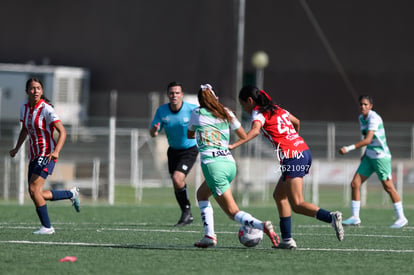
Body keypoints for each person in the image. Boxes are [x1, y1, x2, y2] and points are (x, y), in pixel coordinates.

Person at [229, 85, 344, 249]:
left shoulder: (258, 113)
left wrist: (234, 145)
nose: (244, 109)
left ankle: (330, 217)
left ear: (249, 101)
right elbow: (297, 121)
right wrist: (294, 139)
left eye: (243, 105)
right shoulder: (276, 109)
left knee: (297, 203)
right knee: (279, 196)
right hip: (303, 151)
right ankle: (287, 240)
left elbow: (254, 132)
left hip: (292, 157)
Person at [187, 84, 280, 248]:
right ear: (215, 98)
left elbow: (190, 134)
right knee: (201, 194)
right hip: (229, 164)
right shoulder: (226, 112)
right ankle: (209, 236)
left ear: (200, 101)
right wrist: (230, 143)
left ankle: (261, 225)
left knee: (232, 212)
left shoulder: (196, 113)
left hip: (213, 166)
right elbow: (244, 135)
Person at [9, 78, 80, 235]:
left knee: (34, 189)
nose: (35, 91)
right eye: (33, 88)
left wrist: (56, 152)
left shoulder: (46, 109)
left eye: (38, 88)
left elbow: (63, 132)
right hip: (34, 154)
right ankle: (71, 194)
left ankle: (47, 227)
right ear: (27, 91)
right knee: (36, 193)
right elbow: (25, 130)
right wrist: (16, 148)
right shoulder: (24, 108)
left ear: (42, 91)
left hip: (46, 153)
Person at [339, 95, 408, 228]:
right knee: (355, 183)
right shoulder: (361, 118)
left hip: (381, 156)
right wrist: (365, 154)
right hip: (369, 156)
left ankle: (401, 218)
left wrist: (348, 148)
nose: (363, 107)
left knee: (388, 187)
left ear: (371, 106)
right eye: (361, 104)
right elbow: (368, 140)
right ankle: (355, 217)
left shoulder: (374, 118)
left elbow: (368, 140)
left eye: (365, 104)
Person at [150, 81, 198, 226]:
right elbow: (153, 133)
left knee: (178, 178)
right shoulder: (162, 111)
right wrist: (154, 130)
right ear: (168, 95)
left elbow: (207, 117)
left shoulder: (192, 109)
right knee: (177, 183)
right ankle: (186, 213)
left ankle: (187, 211)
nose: (174, 95)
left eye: (177, 93)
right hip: (173, 151)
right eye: (171, 93)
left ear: (182, 95)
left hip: (189, 149)